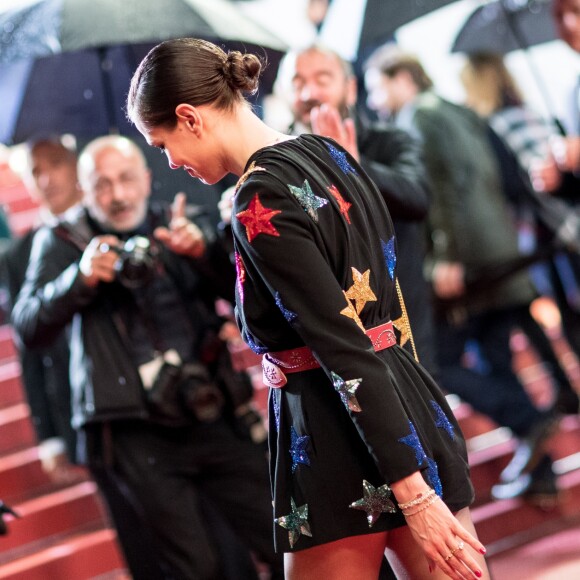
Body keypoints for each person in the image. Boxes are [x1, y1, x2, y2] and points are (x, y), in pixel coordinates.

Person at [126, 37, 489, 580]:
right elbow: (388, 311)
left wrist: (411, 493)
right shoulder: (330, 151)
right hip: (406, 403)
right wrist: (415, 446)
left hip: (330, 432)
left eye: (162, 144)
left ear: (189, 117)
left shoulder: (257, 198)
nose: (171, 162)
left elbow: (341, 345)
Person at [11, 135, 283, 580]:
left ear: (145, 179)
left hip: (210, 406)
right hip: (135, 430)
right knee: (195, 567)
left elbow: (249, 300)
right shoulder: (62, 241)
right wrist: (78, 280)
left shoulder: (171, 223)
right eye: (101, 185)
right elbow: (27, 327)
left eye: (124, 180)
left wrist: (203, 254)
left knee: (281, 540)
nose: (116, 196)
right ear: (84, 188)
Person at [363, 47, 560, 505]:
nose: (374, 102)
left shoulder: (421, 116)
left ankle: (530, 423)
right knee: (494, 358)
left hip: (471, 262)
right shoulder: (455, 108)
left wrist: (448, 255)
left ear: (401, 79)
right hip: (495, 251)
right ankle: (542, 471)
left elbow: (445, 188)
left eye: (376, 88)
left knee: (445, 363)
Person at [280, 44, 437, 376]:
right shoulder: (276, 165)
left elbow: (418, 199)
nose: (309, 92)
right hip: (328, 333)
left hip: (400, 313)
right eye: (297, 83)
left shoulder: (389, 140)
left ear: (350, 88)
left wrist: (351, 164)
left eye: (322, 78)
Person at [460, 52, 580, 415]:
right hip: (551, 227)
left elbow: (534, 177)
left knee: (570, 312)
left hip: (550, 228)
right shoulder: (523, 112)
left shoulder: (500, 122)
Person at [0, 137, 83, 482]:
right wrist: (48, 435)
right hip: (75, 397)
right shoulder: (19, 256)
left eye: (56, 163)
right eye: (36, 171)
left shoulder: (112, 219)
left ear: (76, 165)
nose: (48, 178)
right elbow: (28, 347)